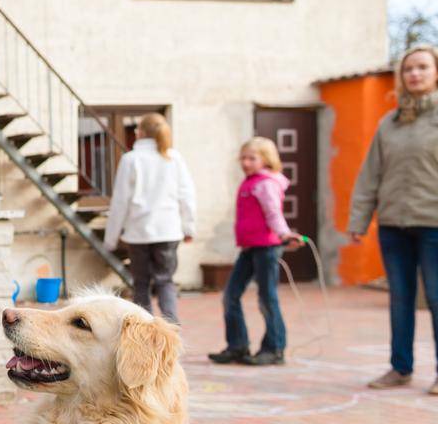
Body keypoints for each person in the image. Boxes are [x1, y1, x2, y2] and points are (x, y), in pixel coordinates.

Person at [347, 44, 438, 397]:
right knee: (400, 299)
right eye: (409, 69)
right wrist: (359, 220)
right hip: (394, 226)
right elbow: (370, 175)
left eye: (423, 67)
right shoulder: (390, 123)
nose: (415, 74)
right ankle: (400, 367)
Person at [208, 137, 303, 366]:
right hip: (249, 248)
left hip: (267, 248)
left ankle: (274, 348)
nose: (246, 162)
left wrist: (283, 234)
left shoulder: (265, 184)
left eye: (252, 158)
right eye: (243, 158)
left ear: (266, 159)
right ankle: (237, 345)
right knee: (231, 295)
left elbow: (273, 213)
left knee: (267, 297)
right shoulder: (250, 181)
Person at [102, 112, 196, 322]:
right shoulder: (174, 158)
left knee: (141, 284)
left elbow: (120, 202)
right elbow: (187, 195)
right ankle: (172, 330)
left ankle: (143, 332)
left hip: (139, 233)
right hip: (169, 232)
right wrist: (189, 228)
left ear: (140, 133)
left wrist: (111, 239)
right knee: (165, 282)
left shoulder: (131, 160)